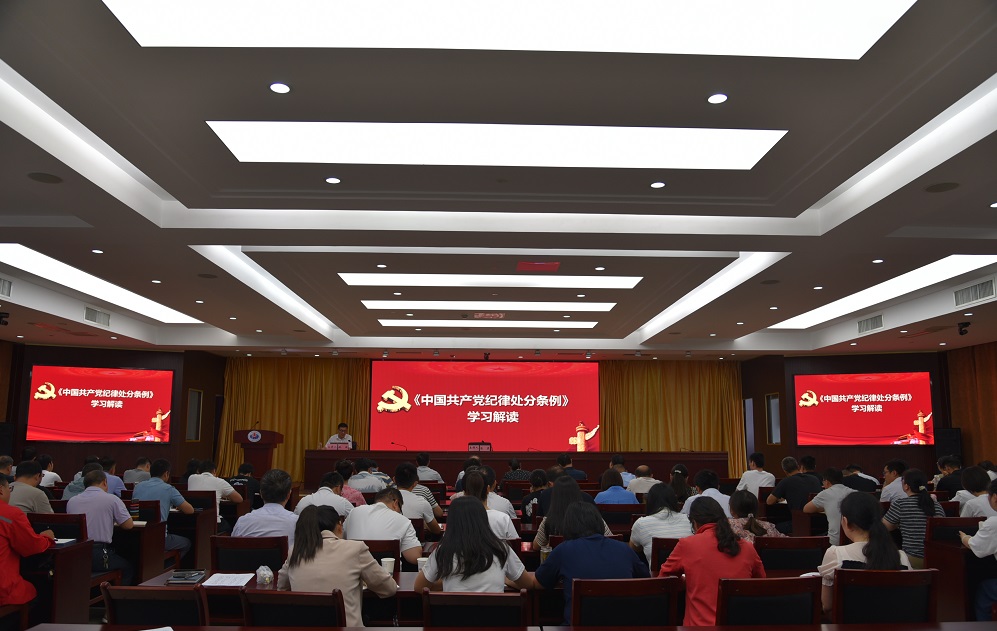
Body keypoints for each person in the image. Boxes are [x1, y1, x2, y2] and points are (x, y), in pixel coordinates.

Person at [277, 505, 396, 627]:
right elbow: (389, 588)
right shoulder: (355, 549)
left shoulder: (295, 551)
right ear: (339, 525)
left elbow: (281, 588)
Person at [536, 502, 649, 624]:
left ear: (568, 526)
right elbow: (646, 581)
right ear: (599, 523)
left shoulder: (563, 550)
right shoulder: (625, 549)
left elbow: (538, 583)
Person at [660, 496, 765, 626]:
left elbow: (663, 582)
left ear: (694, 522)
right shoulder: (748, 547)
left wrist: (687, 581)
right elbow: (760, 583)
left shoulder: (687, 545)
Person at [416, 496, 536, 592]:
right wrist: (505, 580)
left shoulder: (443, 550)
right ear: (483, 519)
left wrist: (447, 582)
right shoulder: (501, 548)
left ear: (452, 522)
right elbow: (528, 585)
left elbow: (419, 587)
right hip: (496, 616)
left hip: (452, 616)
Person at [819, 492, 910, 615]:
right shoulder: (901, 557)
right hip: (893, 622)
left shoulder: (836, 554)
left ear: (845, 522)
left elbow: (827, 605)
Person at [66, 470, 134, 584]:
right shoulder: (111, 499)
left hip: (76, 554)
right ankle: (114, 595)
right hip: (98, 555)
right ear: (105, 482)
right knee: (127, 567)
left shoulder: (72, 501)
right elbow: (128, 525)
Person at [0, 475, 56, 611]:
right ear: (1, 489)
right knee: (39, 590)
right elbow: (32, 546)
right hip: (4, 589)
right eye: (9, 489)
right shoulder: (9, 515)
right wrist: (46, 538)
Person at [132, 459, 195, 558]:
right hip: (160, 539)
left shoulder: (138, 487)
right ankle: (166, 564)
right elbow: (190, 510)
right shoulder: (168, 489)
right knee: (186, 543)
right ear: (166, 474)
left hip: (138, 536)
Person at [882, 468, 945, 568]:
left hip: (912, 559)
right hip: (937, 559)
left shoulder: (901, 504)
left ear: (906, 486)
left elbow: (884, 527)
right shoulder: (936, 504)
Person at [343, 487, 422, 564]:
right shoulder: (403, 520)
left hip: (352, 570)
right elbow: (414, 557)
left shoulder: (354, 512)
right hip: (387, 572)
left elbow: (340, 539)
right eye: (400, 509)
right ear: (395, 503)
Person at [532, 476, 611, 550]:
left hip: (562, 560)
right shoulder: (593, 515)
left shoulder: (549, 520)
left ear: (554, 497)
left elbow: (536, 546)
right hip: (591, 558)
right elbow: (610, 537)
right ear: (578, 493)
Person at [958, 479, 997, 620]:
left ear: (994, 497)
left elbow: (976, 546)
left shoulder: (994, 523)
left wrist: (965, 537)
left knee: (983, 589)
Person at [630, 483, 692, 564]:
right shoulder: (689, 520)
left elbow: (634, 548)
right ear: (674, 501)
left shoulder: (641, 523)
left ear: (649, 502)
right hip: (688, 570)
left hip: (659, 572)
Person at [232, 468, 298, 543]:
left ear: (261, 494)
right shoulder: (298, 523)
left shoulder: (243, 522)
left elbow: (232, 547)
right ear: (288, 495)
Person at [767, 456, 821, 533]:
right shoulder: (815, 479)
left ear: (785, 471)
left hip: (800, 524)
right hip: (819, 523)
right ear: (798, 467)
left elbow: (769, 501)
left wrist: (779, 498)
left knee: (773, 528)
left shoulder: (786, 481)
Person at [188, 460, 243, 532]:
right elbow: (239, 499)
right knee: (230, 525)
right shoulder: (220, 482)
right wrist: (225, 495)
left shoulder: (191, 478)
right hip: (213, 523)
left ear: (198, 470)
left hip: (193, 521)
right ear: (214, 471)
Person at [804, 468, 855, 545]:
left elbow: (806, 509)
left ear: (827, 482)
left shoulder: (825, 493)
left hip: (834, 542)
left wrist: (824, 508)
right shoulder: (853, 492)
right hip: (853, 541)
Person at [463, 471, 517, 540]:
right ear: (488, 489)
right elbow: (515, 543)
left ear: (464, 492)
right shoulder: (503, 518)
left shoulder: (457, 519)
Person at [394, 462, 442, 536]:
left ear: (394, 480)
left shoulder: (383, 501)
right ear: (415, 483)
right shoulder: (422, 503)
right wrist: (424, 524)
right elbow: (436, 530)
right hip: (418, 541)